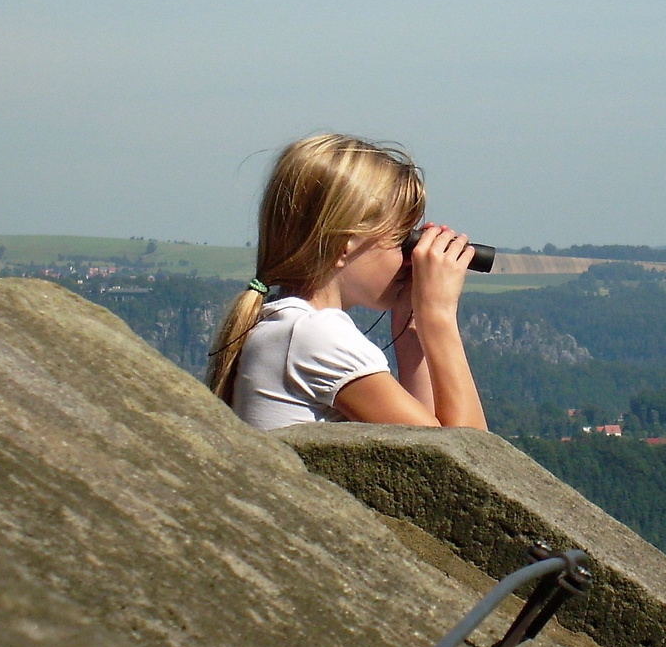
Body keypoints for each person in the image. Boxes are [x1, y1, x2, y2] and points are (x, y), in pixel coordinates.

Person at [207, 133, 488, 431]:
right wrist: (438, 315)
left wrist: (410, 336)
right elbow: (464, 456)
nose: (412, 258)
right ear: (344, 245)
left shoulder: (286, 326)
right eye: (401, 241)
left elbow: (424, 440)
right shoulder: (316, 335)